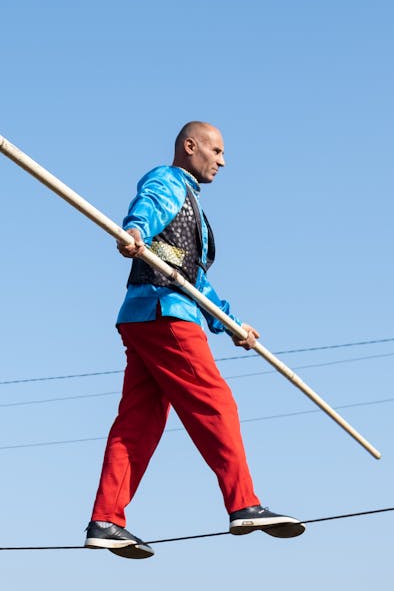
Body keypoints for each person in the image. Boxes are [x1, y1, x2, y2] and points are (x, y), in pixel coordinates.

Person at [84, 121, 303, 559]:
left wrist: (233, 325)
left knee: (138, 423)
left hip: (146, 315)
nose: (222, 161)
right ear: (190, 147)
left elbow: (194, 279)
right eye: (216, 151)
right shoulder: (168, 182)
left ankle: (106, 519)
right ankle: (243, 503)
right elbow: (145, 210)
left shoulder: (194, 209)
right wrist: (135, 231)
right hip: (166, 316)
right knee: (215, 402)